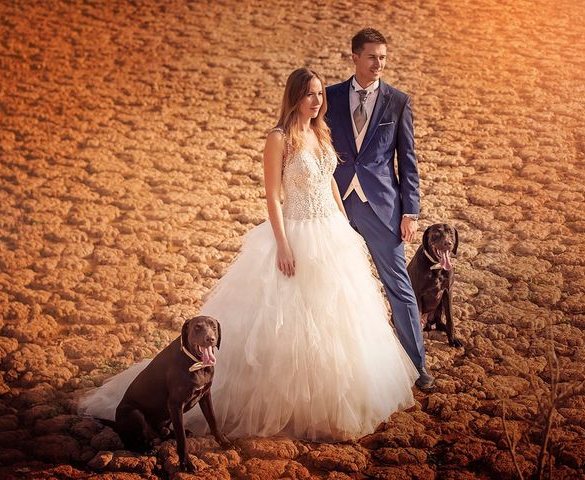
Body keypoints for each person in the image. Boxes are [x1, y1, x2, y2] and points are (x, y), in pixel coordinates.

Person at [79, 67, 418, 442]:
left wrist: (345, 226)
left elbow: (330, 185)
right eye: (309, 95)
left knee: (340, 324)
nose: (317, 101)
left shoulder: (320, 132)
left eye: (320, 94)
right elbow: (273, 195)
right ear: (293, 98)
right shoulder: (279, 138)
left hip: (331, 235)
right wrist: (284, 244)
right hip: (297, 232)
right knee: (288, 322)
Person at [325, 28, 435, 391]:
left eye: (383, 58)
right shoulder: (330, 98)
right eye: (371, 56)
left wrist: (410, 212)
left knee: (398, 285)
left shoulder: (397, 101)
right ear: (354, 56)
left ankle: (416, 367)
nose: (378, 64)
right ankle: (342, 366)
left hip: (383, 208)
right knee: (336, 286)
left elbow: (408, 160)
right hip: (337, 205)